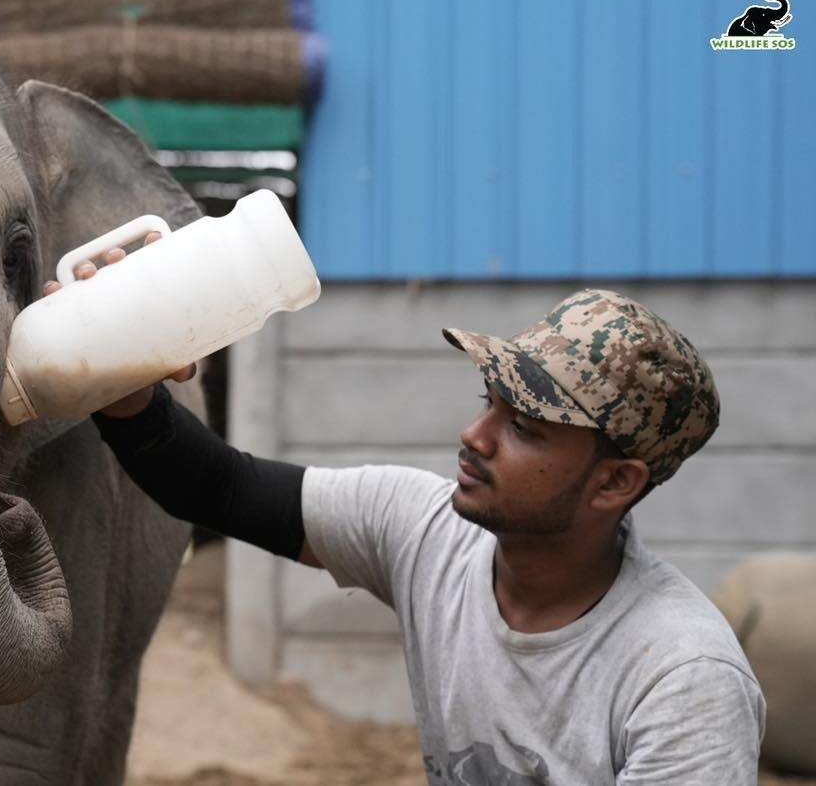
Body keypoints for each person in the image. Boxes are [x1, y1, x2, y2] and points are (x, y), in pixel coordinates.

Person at [44, 245, 765, 784]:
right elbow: (214, 488)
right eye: (492, 404)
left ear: (615, 483)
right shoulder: (424, 532)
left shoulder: (683, 680)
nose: (474, 437)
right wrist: (121, 373)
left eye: (526, 430)